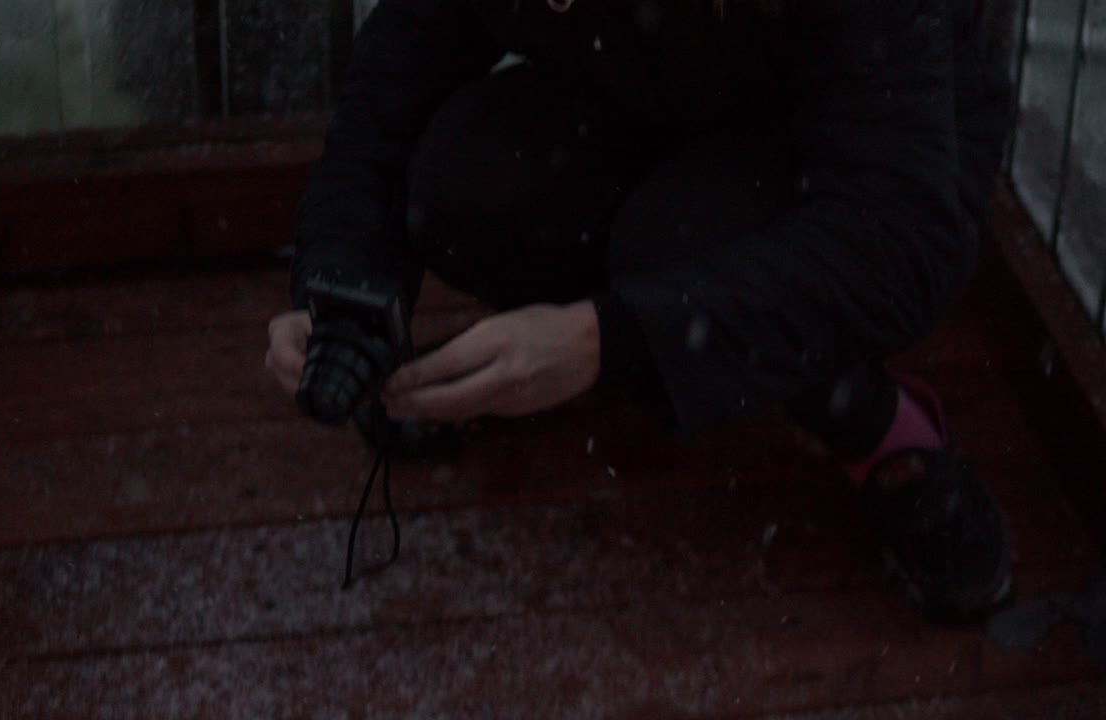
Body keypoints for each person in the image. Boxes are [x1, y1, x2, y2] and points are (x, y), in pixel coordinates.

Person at [265, 0, 1015, 621]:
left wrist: (609, 336)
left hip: (862, 155)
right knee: (462, 183)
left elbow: (901, 239)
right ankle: (540, 358)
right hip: (652, 91)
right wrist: (343, 287)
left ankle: (877, 426)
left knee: (677, 249)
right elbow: (383, 107)